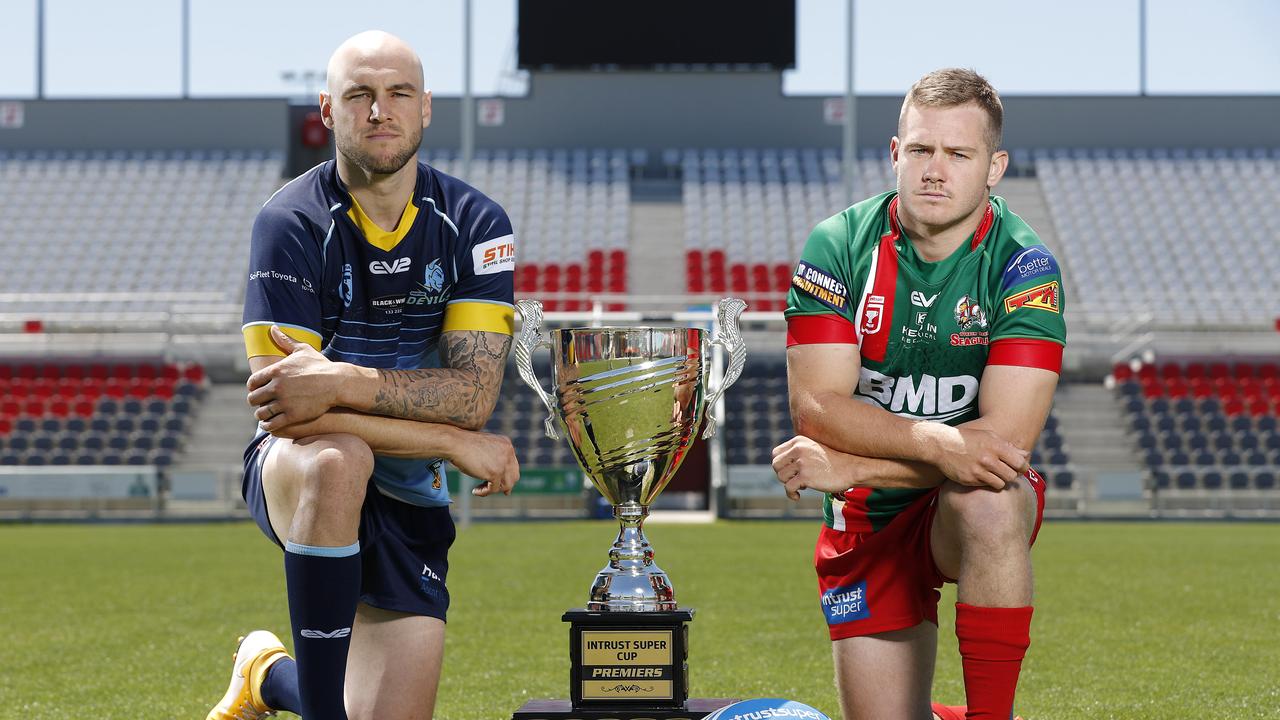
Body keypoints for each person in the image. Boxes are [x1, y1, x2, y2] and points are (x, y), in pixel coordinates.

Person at [207, 30, 520, 720]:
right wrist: (446, 442)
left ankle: (265, 675)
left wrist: (343, 380)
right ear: (328, 108)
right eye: (360, 95)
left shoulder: (476, 223)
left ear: (426, 107)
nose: (380, 111)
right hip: (297, 466)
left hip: (409, 492)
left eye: (398, 93)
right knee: (339, 460)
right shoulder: (289, 221)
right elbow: (286, 410)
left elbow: (470, 397)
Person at [771, 68, 1065, 720]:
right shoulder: (839, 245)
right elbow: (817, 407)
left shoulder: (1025, 267)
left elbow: (1002, 448)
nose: (937, 170)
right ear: (894, 153)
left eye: (960, 154)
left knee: (989, 497)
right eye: (922, 150)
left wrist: (850, 464)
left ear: (994, 168)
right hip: (866, 520)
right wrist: (939, 441)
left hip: (954, 508)